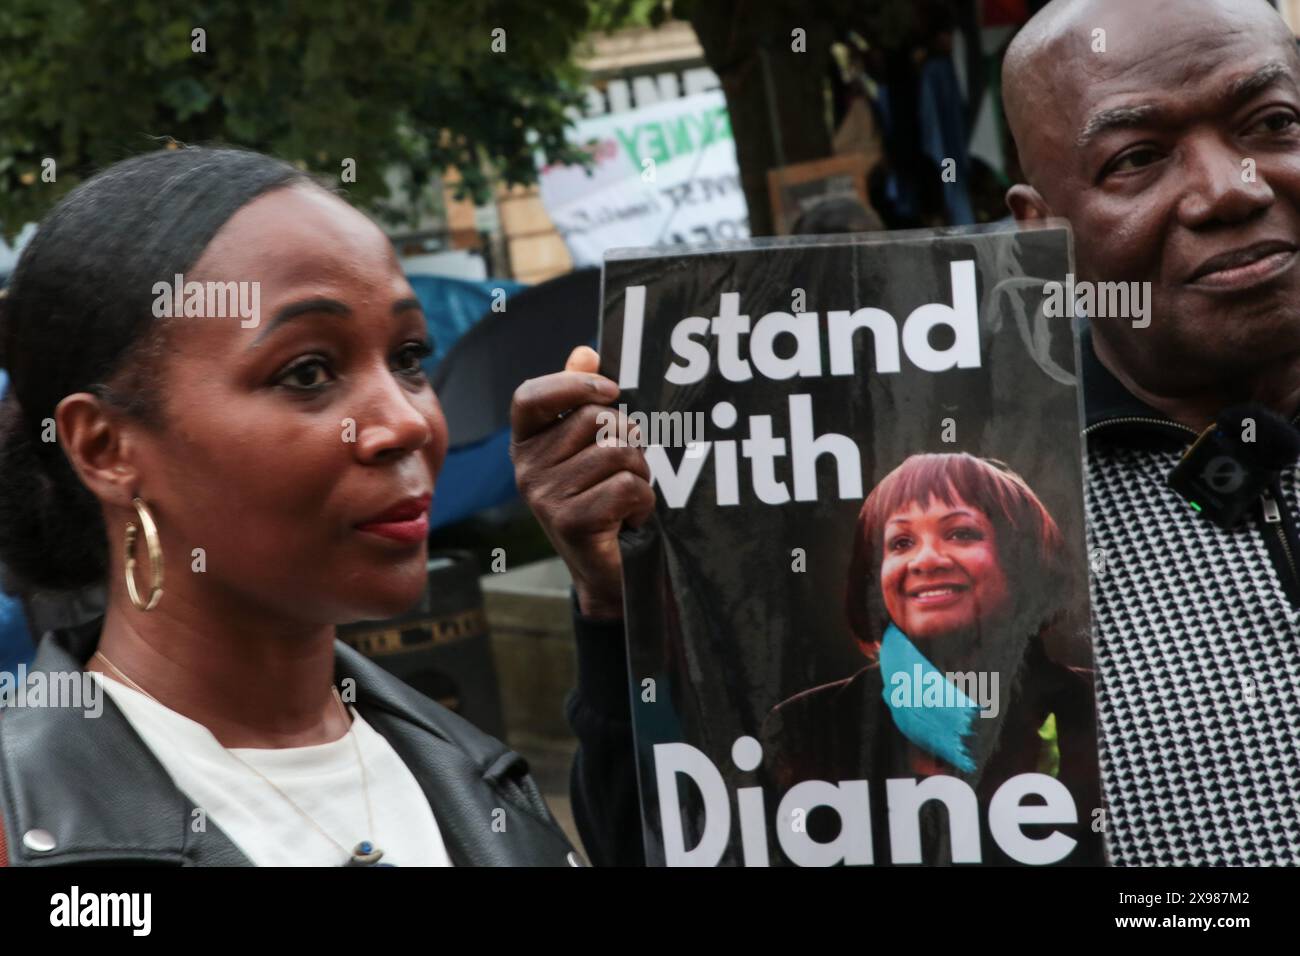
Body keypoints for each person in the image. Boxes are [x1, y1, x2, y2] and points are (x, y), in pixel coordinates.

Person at [515, 0, 1300, 867]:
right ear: (1040, 229)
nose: (1234, 188)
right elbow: (666, 848)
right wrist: (616, 606)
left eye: (1273, 122)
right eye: (1138, 158)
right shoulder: (1009, 499)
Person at [0, 147, 578, 866]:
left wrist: (628, 621)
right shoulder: (27, 829)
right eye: (307, 371)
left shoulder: (483, 783)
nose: (405, 422)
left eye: (407, 357)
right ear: (106, 448)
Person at [761, 453, 1101, 865]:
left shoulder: (1101, 709)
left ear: (1025, 560)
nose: (925, 560)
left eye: (960, 533)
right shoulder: (806, 726)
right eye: (901, 542)